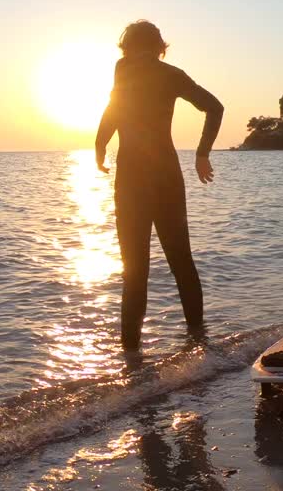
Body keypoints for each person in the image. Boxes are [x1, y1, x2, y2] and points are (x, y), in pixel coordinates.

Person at [95, 20, 224, 350]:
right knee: (180, 261)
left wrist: (100, 147)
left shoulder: (124, 70)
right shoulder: (169, 75)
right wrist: (202, 154)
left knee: (136, 271)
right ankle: (199, 346)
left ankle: (132, 362)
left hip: (132, 179)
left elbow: (113, 110)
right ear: (159, 46)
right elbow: (215, 107)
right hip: (165, 175)